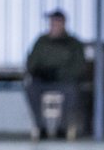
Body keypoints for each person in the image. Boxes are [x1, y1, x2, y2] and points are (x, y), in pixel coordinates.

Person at [24, 10, 86, 140]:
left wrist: (60, 74)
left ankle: (62, 127)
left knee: (72, 91)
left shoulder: (73, 43)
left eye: (57, 22)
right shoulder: (42, 41)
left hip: (63, 81)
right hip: (43, 80)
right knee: (31, 88)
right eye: (52, 22)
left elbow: (78, 66)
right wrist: (40, 72)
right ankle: (41, 127)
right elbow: (31, 63)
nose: (54, 25)